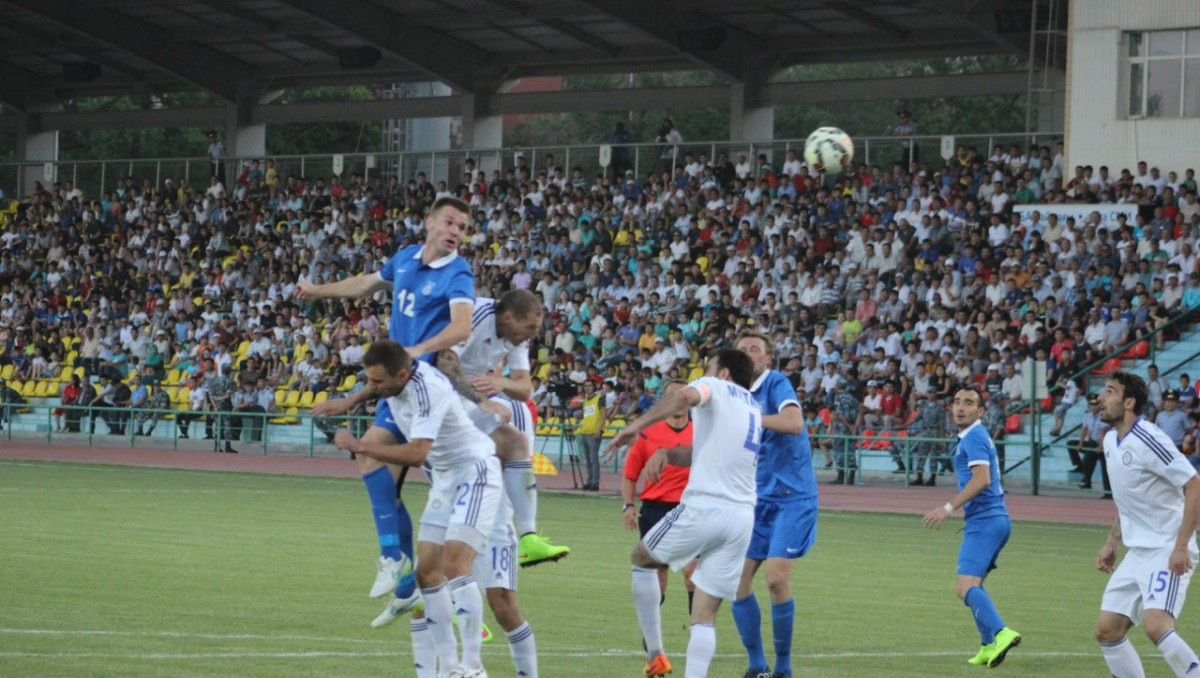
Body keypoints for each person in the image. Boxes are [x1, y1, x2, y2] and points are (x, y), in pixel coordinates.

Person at [299, 196, 473, 614]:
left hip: (429, 390)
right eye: (450, 223)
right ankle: (399, 563)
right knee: (372, 460)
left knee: (441, 496)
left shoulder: (458, 272)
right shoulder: (406, 258)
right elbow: (365, 283)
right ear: (429, 223)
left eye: (463, 228)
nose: (455, 232)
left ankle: (418, 572)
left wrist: (418, 349)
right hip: (400, 389)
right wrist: (316, 291)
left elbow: (462, 326)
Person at [333, 341, 501, 678]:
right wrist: (349, 400)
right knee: (426, 574)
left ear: (403, 374)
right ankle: (449, 668)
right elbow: (377, 388)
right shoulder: (396, 382)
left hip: (475, 471)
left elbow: (416, 454)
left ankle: (473, 666)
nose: (373, 388)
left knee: (455, 563)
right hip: (445, 479)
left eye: (378, 382)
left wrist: (361, 447)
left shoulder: (430, 390)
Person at [604, 348, 761, 678]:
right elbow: (702, 453)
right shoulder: (753, 407)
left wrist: (637, 424)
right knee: (704, 614)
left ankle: (656, 653)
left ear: (724, 374)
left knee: (642, 558)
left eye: (708, 368)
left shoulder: (716, 387)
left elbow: (682, 398)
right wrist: (668, 453)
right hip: (741, 518)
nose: (703, 372)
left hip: (705, 507)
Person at [433, 290, 570, 568]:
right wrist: (484, 401)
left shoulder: (515, 337)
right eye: (530, 326)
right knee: (455, 489)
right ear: (509, 317)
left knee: (516, 443)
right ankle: (427, 574)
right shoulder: (474, 316)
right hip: (439, 399)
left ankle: (529, 538)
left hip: (466, 399)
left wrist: (502, 384)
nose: (533, 334)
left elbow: (524, 388)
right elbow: (444, 361)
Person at [1092, 370, 1200, 678]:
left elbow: (1194, 484)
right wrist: (1113, 541)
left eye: (1109, 391)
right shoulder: (1112, 440)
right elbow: (1128, 499)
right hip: (1137, 551)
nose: (1101, 398)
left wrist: (1181, 547)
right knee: (1107, 630)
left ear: (1128, 403)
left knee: (1156, 626)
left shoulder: (1148, 437)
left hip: (1167, 548)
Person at [729, 332, 818, 678]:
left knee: (776, 577)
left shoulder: (776, 383)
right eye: (742, 350)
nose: (749, 354)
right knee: (737, 579)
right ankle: (756, 667)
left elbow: (794, 423)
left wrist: (752, 419)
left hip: (792, 498)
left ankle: (783, 669)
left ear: (768, 359)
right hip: (756, 500)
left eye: (755, 349)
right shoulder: (734, 395)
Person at [922, 388, 1021, 668]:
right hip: (995, 519)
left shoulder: (974, 436)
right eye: (956, 402)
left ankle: (1002, 632)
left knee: (964, 587)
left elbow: (982, 479)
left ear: (980, 413)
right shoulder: (973, 437)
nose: (960, 407)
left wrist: (948, 508)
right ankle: (988, 644)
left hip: (985, 521)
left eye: (968, 403)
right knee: (974, 586)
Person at [608, 378, 695, 610]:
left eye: (683, 395)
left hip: (692, 510)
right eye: (672, 396)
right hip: (655, 511)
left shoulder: (701, 432)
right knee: (658, 576)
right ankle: (653, 640)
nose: (678, 400)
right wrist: (628, 505)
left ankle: (698, 632)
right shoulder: (647, 434)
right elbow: (630, 476)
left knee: (693, 573)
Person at [1078, 393, 1112, 497]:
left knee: (1105, 469)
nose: (1094, 407)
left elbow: (1103, 431)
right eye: (1091, 405)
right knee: (1086, 461)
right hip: (1094, 442)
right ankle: (1087, 482)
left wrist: (1101, 446)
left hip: (1105, 444)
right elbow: (1084, 429)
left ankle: (1108, 492)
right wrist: (1081, 443)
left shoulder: (1103, 414)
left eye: (1096, 404)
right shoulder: (1088, 416)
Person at [575, 380, 606, 491]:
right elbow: (586, 416)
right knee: (587, 459)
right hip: (585, 432)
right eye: (585, 386)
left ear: (594, 387)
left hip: (594, 433)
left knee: (593, 459)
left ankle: (595, 482)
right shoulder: (586, 401)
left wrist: (598, 430)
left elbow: (603, 415)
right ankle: (589, 481)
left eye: (589, 386)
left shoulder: (599, 399)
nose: (587, 388)